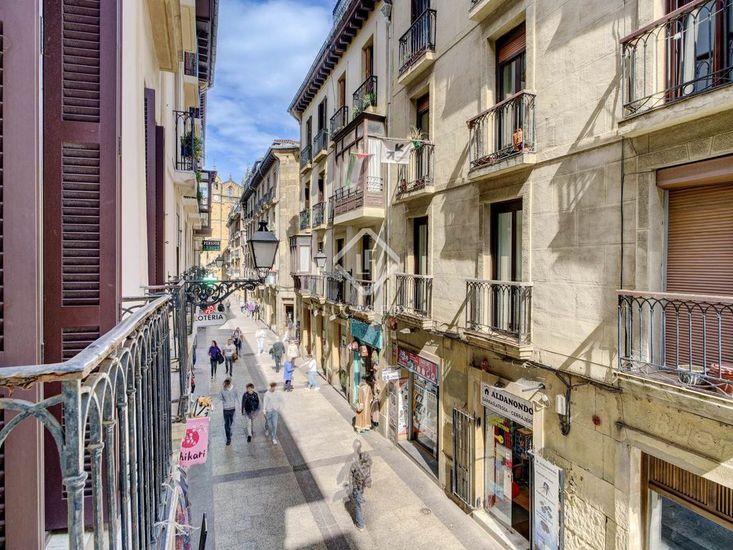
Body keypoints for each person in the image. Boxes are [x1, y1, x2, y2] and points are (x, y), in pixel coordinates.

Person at [350, 451, 372, 531]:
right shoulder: (369, 465)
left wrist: (351, 484)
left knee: (357, 507)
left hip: (357, 488)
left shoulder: (355, 465)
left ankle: (360, 525)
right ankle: (360, 498)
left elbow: (351, 474)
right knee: (360, 495)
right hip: (363, 486)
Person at [219, 378, 240, 446]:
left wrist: (240, 407)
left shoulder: (235, 389)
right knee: (226, 424)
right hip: (226, 409)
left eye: (228, 384)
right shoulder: (222, 390)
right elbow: (220, 398)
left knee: (232, 422)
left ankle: (230, 431)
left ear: (230, 383)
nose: (227, 385)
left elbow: (237, 398)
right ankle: (228, 439)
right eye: (226, 384)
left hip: (232, 409)